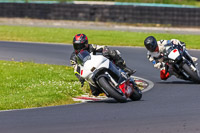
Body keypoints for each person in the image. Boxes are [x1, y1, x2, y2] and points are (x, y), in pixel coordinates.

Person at [70, 34, 135, 96]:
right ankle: (108, 89)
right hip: (90, 71)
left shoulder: (91, 46)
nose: (79, 48)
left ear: (86, 44)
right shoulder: (73, 57)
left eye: (80, 46)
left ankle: (124, 68)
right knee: (95, 92)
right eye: (76, 46)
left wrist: (104, 51)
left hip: (100, 63)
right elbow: (76, 69)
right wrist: (80, 78)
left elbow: (102, 47)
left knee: (112, 52)